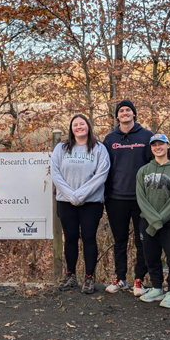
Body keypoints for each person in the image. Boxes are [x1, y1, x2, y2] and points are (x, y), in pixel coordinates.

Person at [50, 114, 110, 294]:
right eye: (75, 125)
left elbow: (101, 175)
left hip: (91, 202)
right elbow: (55, 173)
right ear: (71, 128)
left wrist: (81, 195)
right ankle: (70, 275)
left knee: (89, 238)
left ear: (88, 126)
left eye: (82, 124)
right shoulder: (62, 148)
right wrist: (71, 195)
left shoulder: (99, 149)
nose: (79, 127)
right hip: (66, 201)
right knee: (70, 238)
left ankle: (89, 277)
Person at [103, 100, 152, 296]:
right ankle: (120, 278)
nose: (124, 113)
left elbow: (154, 164)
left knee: (142, 241)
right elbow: (104, 168)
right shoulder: (109, 139)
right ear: (117, 116)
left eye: (128, 110)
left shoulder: (147, 136)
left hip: (141, 199)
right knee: (120, 240)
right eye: (121, 111)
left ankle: (139, 280)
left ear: (134, 114)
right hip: (116, 198)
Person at [135, 133, 170, 308]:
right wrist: (153, 221)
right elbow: (141, 198)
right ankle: (157, 288)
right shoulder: (143, 171)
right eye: (154, 145)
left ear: (167, 146)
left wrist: (160, 220)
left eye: (161, 144)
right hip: (147, 222)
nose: (158, 147)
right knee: (151, 256)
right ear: (151, 148)